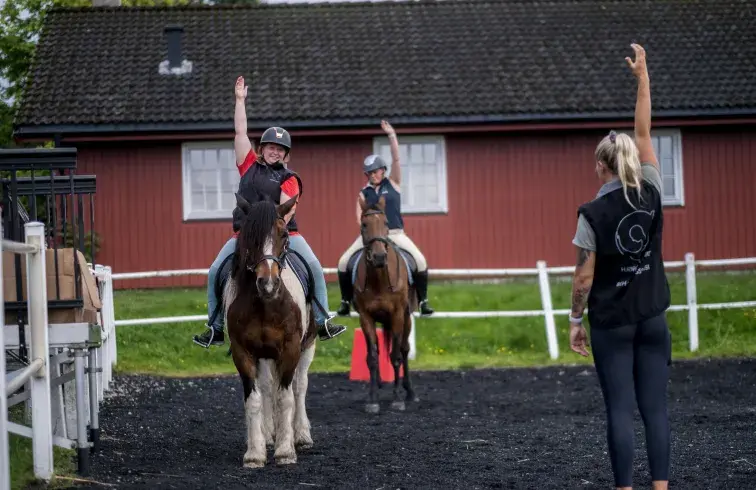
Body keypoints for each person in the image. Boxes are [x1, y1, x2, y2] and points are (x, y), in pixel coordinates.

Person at [569, 44, 671, 490]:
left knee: (618, 410)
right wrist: (643, 78)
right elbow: (643, 133)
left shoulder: (590, 213)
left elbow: (584, 277)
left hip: (612, 323)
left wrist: (575, 320)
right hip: (653, 316)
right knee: (655, 410)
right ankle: (662, 487)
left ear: (599, 168)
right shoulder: (650, 187)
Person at [193, 75, 347, 347]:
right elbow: (240, 133)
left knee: (314, 267)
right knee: (216, 270)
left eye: (280, 149)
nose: (275, 152)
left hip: (282, 233)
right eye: (271, 147)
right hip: (244, 235)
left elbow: (286, 210)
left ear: (285, 154)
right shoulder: (248, 165)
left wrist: (273, 229)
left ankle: (323, 321)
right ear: (261, 149)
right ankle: (215, 327)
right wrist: (240, 100)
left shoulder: (290, 177)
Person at [335, 120, 434, 317]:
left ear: (383, 170)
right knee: (343, 262)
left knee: (420, 261)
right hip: (372, 235)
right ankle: (345, 300)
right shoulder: (364, 193)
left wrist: (392, 136)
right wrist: (370, 234)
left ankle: (423, 301)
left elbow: (397, 160)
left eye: (375, 171)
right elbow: (358, 216)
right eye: (369, 173)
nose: (372, 175)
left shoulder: (394, 183)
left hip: (395, 234)